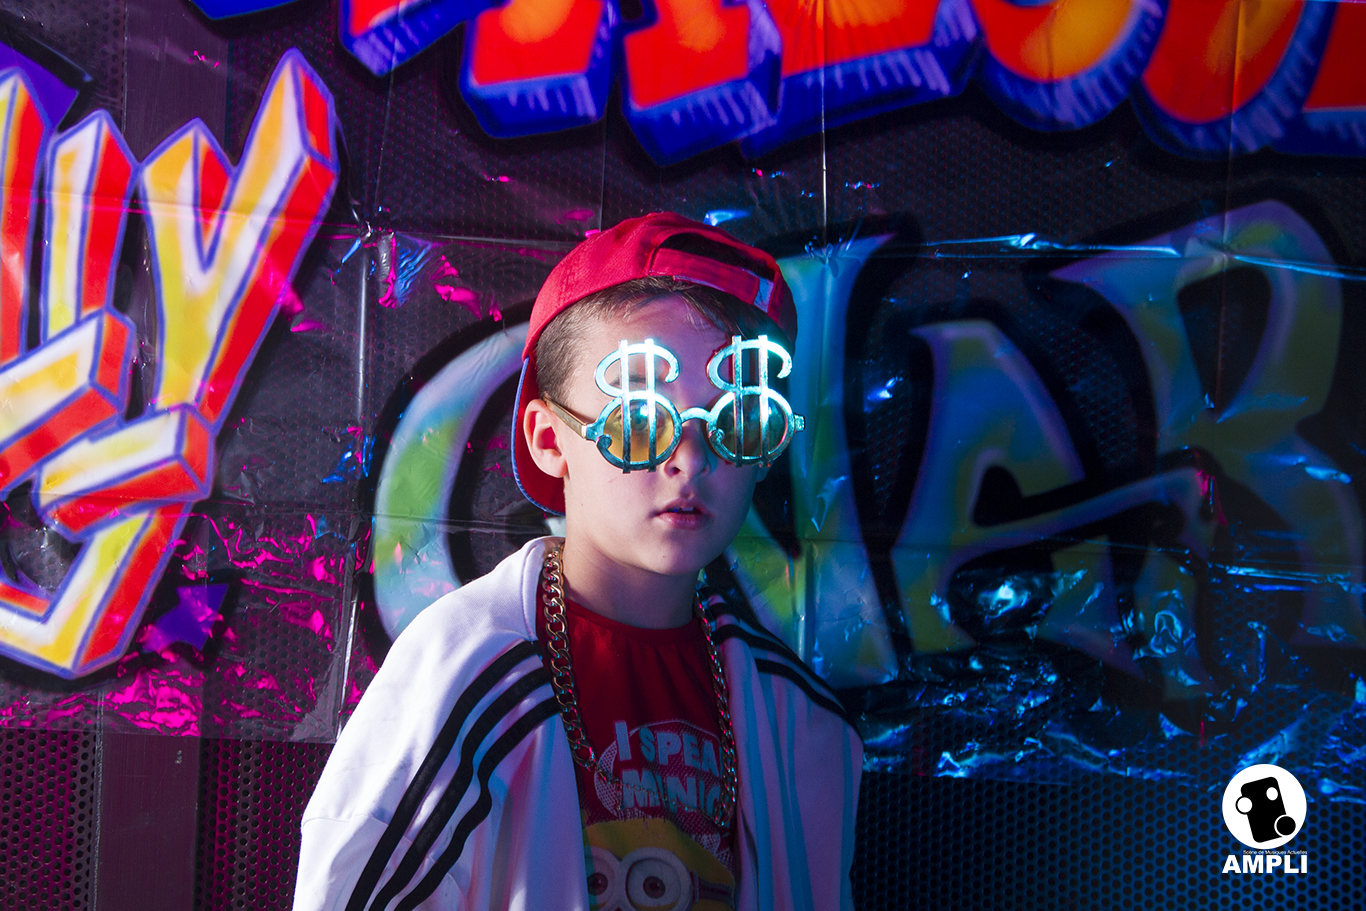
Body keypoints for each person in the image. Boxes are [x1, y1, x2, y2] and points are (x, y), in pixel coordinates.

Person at [294, 212, 863, 911]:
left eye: (735, 419)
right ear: (548, 439)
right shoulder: (461, 673)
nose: (691, 459)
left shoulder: (800, 722)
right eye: (640, 419)